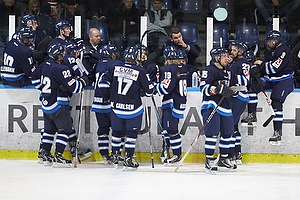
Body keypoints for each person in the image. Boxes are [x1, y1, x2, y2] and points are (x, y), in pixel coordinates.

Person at [99, 46, 155, 169]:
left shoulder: (114, 68)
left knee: (116, 133)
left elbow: (102, 83)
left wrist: (107, 96)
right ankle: (129, 158)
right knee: (131, 134)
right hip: (133, 109)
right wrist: (146, 89)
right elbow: (150, 91)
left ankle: (115, 155)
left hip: (116, 108)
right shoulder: (140, 70)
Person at [36, 43, 88, 167]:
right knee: (64, 130)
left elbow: (34, 79)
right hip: (58, 104)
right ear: (59, 56)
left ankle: (45, 154)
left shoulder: (44, 65)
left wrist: (43, 89)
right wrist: (83, 81)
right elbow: (75, 88)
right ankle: (58, 156)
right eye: (62, 54)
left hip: (46, 103)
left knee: (49, 130)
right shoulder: (61, 69)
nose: (64, 55)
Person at [242, 30, 294, 146]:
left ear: (276, 41)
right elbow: (266, 66)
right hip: (271, 79)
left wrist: (260, 66)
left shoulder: (284, 50)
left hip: (284, 80)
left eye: (270, 41)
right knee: (252, 87)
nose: (268, 44)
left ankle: (277, 132)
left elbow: (273, 68)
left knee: (276, 103)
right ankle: (252, 116)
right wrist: (256, 68)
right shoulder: (270, 51)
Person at [200, 47, 236, 174]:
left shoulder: (229, 71)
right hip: (211, 105)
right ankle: (209, 159)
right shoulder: (208, 70)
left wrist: (233, 91)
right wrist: (216, 89)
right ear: (217, 58)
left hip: (225, 106)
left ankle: (224, 158)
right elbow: (203, 87)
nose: (228, 58)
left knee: (228, 133)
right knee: (212, 133)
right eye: (225, 56)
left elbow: (234, 87)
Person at [91, 44, 123, 164]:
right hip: (110, 103)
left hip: (97, 103)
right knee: (118, 130)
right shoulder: (116, 64)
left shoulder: (98, 64)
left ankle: (104, 155)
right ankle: (117, 154)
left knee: (103, 130)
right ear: (112, 55)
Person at [156, 46, 188, 164]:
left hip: (171, 102)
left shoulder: (169, 69)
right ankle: (166, 150)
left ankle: (177, 154)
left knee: (171, 130)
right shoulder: (183, 67)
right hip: (180, 101)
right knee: (167, 128)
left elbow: (166, 87)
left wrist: (155, 87)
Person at [228, 40, 251, 165]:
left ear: (241, 52)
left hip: (239, 96)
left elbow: (245, 80)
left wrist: (229, 76)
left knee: (230, 125)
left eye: (234, 50)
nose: (231, 52)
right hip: (234, 96)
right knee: (233, 126)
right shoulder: (236, 62)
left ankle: (232, 154)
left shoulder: (243, 63)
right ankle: (237, 153)